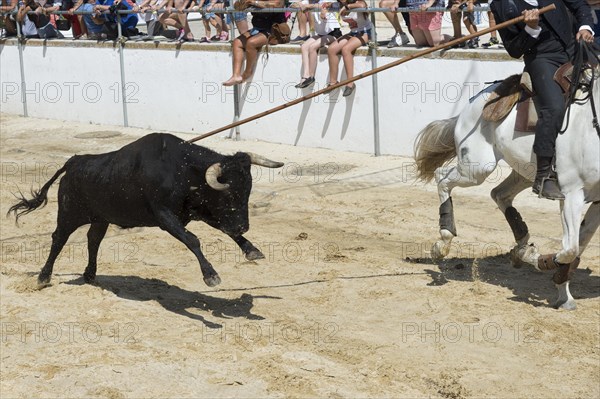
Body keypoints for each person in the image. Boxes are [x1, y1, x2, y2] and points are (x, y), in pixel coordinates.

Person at [490, 0, 594, 199]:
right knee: (554, 108)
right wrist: (531, 28)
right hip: (542, 58)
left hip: (576, 47)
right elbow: (514, 49)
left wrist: (585, 26)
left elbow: (579, 5)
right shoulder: (502, 4)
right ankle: (544, 176)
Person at [222, 0, 286, 86]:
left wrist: (253, 2)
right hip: (258, 29)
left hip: (275, 30)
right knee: (237, 42)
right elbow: (237, 6)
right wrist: (242, 3)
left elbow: (277, 4)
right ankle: (235, 75)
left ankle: (247, 73)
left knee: (251, 43)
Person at [326, 0, 370, 96]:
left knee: (346, 49)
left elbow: (363, 5)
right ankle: (333, 82)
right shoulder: (339, 5)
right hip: (353, 33)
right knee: (331, 49)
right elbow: (325, 5)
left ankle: (350, 83)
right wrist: (324, 8)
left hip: (365, 32)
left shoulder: (358, 2)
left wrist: (347, 7)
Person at [294, 0, 341, 88]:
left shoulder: (325, 1)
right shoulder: (307, 2)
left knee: (312, 47)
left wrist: (308, 6)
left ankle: (311, 76)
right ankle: (306, 75)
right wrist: (299, 4)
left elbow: (326, 5)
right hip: (320, 34)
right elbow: (293, 5)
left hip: (333, 34)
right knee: (304, 46)